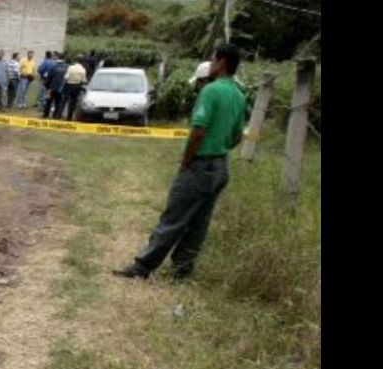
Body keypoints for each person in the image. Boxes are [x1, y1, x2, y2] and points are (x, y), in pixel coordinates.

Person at [113, 44, 247, 280]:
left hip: (200, 165)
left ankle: (143, 267)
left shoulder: (211, 91)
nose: (211, 64)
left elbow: (199, 130)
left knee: (173, 218)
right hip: (221, 166)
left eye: (213, 59)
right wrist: (221, 147)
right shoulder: (239, 94)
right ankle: (182, 270)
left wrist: (187, 161)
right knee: (200, 222)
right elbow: (238, 136)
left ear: (222, 62)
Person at [42, 52, 68, 120]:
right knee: (58, 102)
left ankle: (46, 114)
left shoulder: (53, 66)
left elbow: (49, 77)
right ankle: (56, 115)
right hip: (61, 88)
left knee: (49, 101)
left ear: (58, 58)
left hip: (51, 87)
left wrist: (46, 85)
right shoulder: (67, 67)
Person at [62, 54, 87, 121]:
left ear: (76, 60)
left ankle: (60, 114)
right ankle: (69, 116)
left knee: (65, 100)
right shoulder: (83, 70)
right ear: (82, 61)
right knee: (73, 101)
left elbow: (66, 77)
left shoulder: (71, 67)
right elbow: (84, 80)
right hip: (77, 86)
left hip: (69, 85)